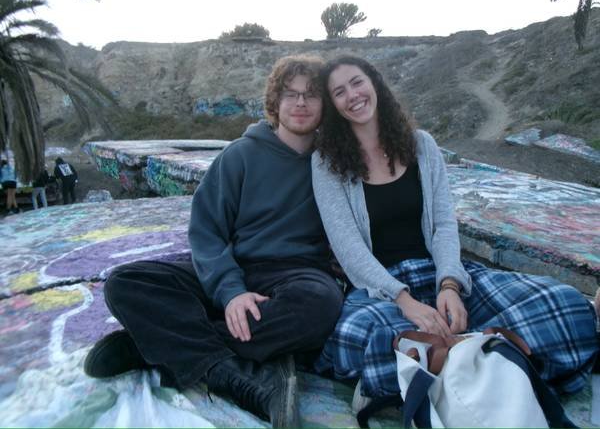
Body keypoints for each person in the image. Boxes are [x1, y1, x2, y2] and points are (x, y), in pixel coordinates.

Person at [310, 55, 599, 409]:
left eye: (357, 82)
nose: (352, 95)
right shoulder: (326, 163)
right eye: (339, 92)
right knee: (358, 335)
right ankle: (488, 356)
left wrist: (449, 286)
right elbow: (348, 248)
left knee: (564, 302)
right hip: (381, 291)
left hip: (436, 272)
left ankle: (445, 360)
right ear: (333, 106)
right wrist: (406, 302)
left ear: (374, 83)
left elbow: (445, 225)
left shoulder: (421, 145)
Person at [83, 55, 344, 427]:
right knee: (126, 283)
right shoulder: (240, 155)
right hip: (234, 266)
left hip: (295, 275)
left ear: (324, 104)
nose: (300, 103)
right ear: (276, 101)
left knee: (321, 304)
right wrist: (231, 292)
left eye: (311, 94)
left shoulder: (333, 163)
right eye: (290, 94)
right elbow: (206, 231)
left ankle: (152, 346)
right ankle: (229, 369)